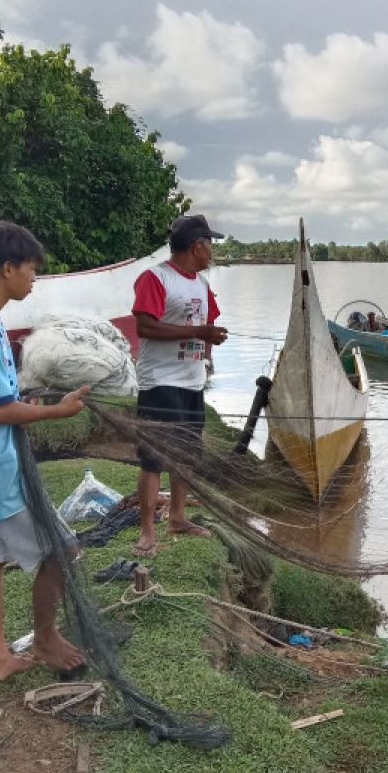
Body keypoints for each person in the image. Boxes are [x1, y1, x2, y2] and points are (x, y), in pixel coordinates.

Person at [0, 221, 89, 684]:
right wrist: (55, 412)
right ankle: (44, 639)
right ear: (7, 268)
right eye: (30, 268)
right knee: (64, 548)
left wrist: (28, 400)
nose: (34, 276)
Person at [131, 214, 229, 557]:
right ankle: (146, 532)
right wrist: (196, 333)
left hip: (191, 380)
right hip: (160, 380)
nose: (212, 251)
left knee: (187, 454)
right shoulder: (155, 278)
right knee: (154, 457)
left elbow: (208, 323)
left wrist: (210, 341)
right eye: (210, 244)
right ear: (196, 245)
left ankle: (177, 517)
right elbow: (144, 327)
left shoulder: (200, 284)